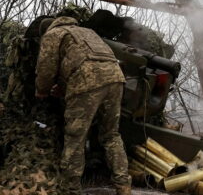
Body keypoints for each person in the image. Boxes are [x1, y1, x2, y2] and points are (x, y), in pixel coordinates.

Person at [35, 16, 131, 195]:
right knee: (111, 135)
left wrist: (42, 90)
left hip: (87, 82)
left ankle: (71, 189)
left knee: (75, 137)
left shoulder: (53, 34)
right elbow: (86, 60)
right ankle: (123, 186)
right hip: (116, 80)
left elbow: (46, 69)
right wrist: (65, 87)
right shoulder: (87, 32)